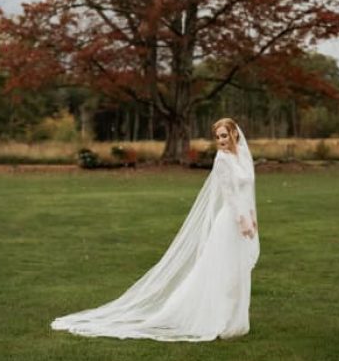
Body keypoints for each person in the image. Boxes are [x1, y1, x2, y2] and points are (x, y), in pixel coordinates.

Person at [52, 118, 260, 341]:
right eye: (217, 137)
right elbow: (229, 193)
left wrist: (251, 216)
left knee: (236, 271)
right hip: (230, 220)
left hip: (242, 218)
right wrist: (241, 220)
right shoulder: (222, 160)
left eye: (224, 135)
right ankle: (217, 319)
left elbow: (246, 191)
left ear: (234, 135)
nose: (220, 140)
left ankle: (233, 318)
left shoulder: (241, 158)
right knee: (223, 270)